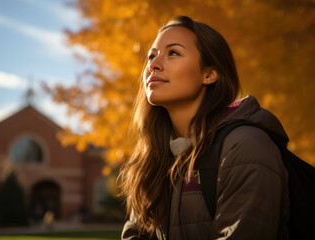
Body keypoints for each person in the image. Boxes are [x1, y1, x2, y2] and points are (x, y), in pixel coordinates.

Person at [119, 16, 289, 240]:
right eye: (152, 56)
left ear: (209, 74)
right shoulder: (154, 155)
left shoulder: (247, 146)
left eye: (173, 53)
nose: (153, 65)